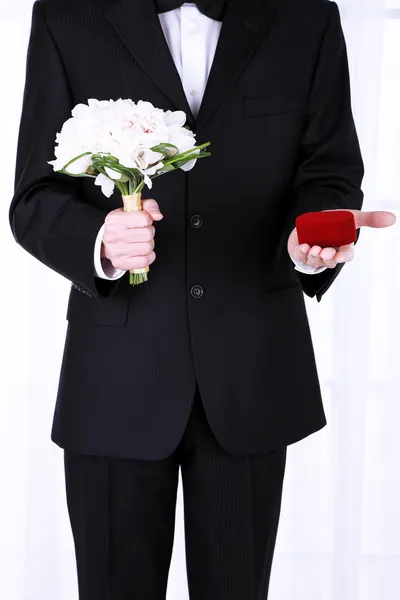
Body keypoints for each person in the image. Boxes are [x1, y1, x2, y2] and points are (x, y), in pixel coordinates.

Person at [9, 1, 396, 598]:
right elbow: (34, 196)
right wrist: (100, 240)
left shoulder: (306, 18)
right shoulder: (68, 15)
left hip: (252, 372)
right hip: (114, 382)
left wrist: (313, 236)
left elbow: (328, 171)